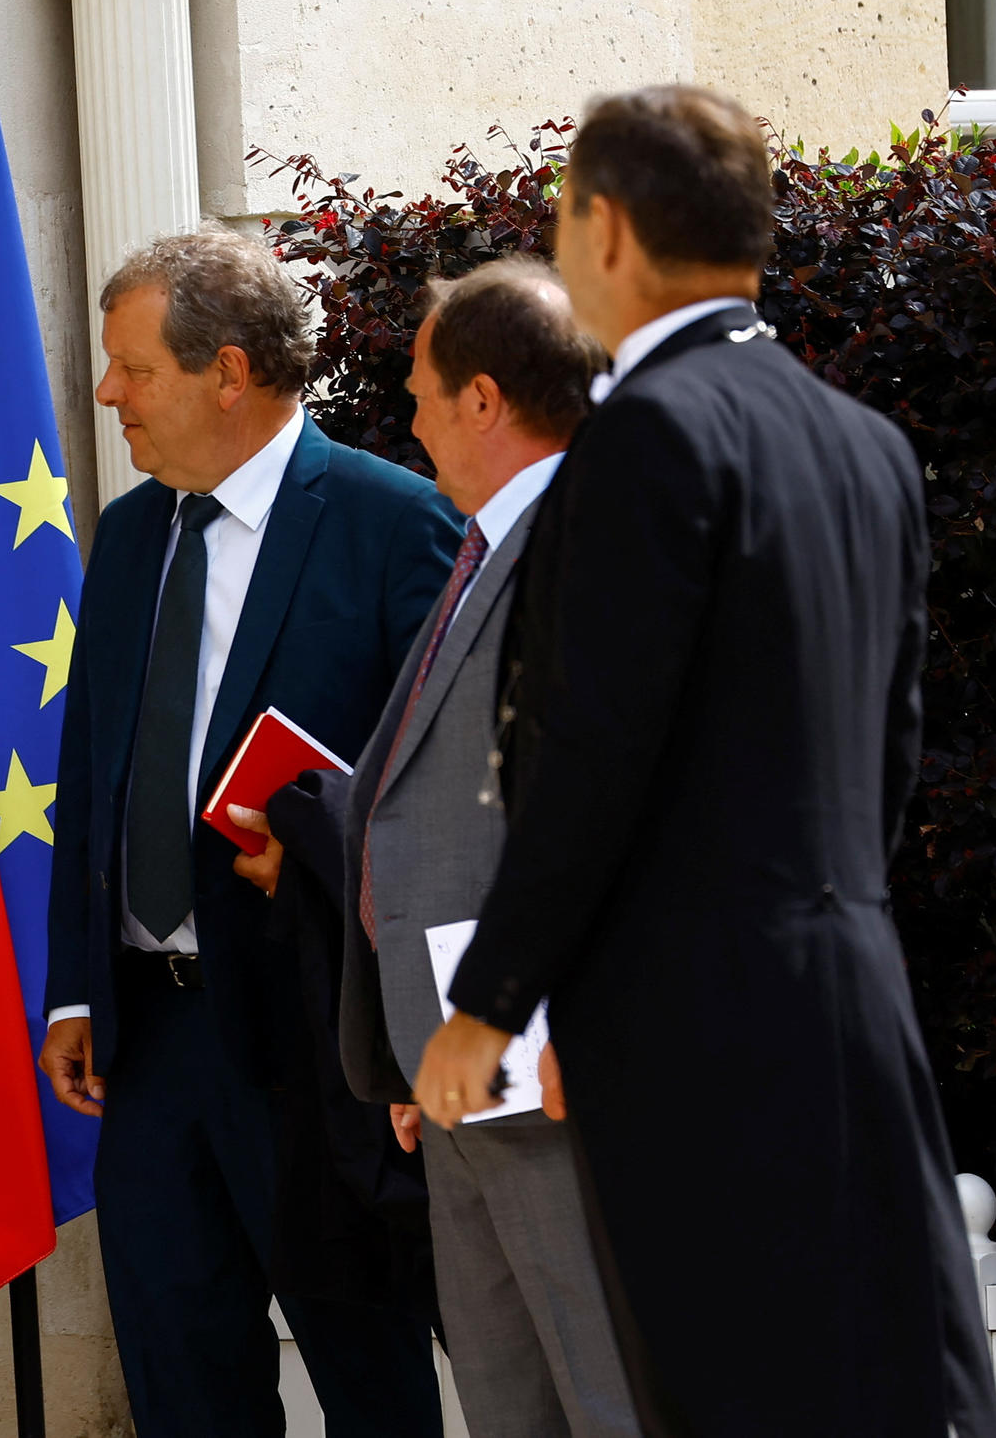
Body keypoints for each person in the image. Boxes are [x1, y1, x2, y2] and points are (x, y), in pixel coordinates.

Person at [413, 87, 996, 1436]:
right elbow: (884, 760)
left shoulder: (647, 436)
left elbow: (596, 747)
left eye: (565, 214)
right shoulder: (867, 443)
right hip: (848, 987)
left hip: (698, 1031)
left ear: (606, 227)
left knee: (733, 1392)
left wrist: (499, 1001)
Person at [40, 230, 461, 1438]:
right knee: (183, 1388)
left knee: (369, 1382)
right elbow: (91, 770)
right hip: (151, 1038)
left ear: (228, 371)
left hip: (317, 1045)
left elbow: (446, 790)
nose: (109, 393)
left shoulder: (392, 522)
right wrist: (77, 986)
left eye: (134, 369)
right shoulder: (126, 537)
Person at [239, 259, 634, 1437]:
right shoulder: (480, 550)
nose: (405, 419)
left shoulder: (591, 549)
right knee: (515, 1402)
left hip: (545, 1068)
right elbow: (439, 804)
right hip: (458, 1073)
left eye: (418, 392)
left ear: (482, 399)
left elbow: (618, 812)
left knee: (606, 1394)